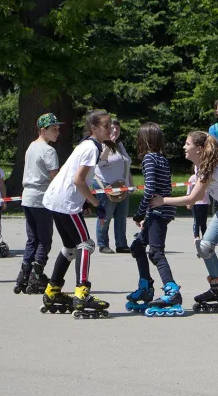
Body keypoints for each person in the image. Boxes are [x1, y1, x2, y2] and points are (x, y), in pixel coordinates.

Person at [151, 131, 218, 316]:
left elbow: (194, 198)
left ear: (199, 149)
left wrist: (163, 201)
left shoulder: (206, 169)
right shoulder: (199, 167)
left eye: (187, 144)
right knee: (205, 247)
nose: (184, 147)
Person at [40, 110, 111, 318]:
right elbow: (78, 180)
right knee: (86, 245)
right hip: (66, 202)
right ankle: (82, 292)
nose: (110, 129)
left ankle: (52, 290)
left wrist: (85, 202)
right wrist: (96, 203)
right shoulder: (91, 148)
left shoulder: (86, 145)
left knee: (70, 248)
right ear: (94, 129)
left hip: (57, 199)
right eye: (106, 126)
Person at [125, 122, 182, 316]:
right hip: (164, 211)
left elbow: (149, 189)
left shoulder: (149, 158)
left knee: (156, 252)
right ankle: (146, 286)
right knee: (137, 246)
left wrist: (140, 213)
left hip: (157, 211)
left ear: (144, 141)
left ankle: (172, 290)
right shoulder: (162, 159)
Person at [16, 113, 61, 295]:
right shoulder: (49, 151)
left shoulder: (31, 147)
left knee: (32, 239)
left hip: (28, 197)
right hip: (42, 198)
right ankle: (36, 275)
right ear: (43, 130)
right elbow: (54, 178)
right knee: (45, 240)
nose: (57, 132)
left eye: (58, 128)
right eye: (53, 129)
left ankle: (23, 276)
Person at [93, 118, 132, 254]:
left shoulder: (120, 145)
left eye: (117, 128)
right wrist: (110, 144)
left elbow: (126, 164)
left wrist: (130, 183)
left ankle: (121, 244)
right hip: (107, 186)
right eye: (112, 128)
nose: (115, 130)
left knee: (121, 217)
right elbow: (100, 162)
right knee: (106, 215)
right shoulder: (103, 145)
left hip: (122, 187)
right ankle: (103, 244)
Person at [187, 169, 210, 240]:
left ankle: (203, 236)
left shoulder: (206, 177)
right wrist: (189, 202)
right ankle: (197, 236)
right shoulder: (192, 178)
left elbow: (209, 190)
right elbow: (189, 191)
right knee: (198, 221)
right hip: (196, 203)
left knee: (202, 222)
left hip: (204, 203)